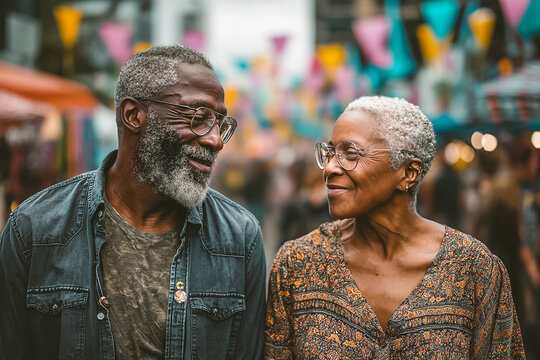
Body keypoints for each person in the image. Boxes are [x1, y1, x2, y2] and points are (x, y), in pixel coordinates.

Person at [0, 45, 266, 359]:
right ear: (133, 115)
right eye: (199, 117)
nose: (216, 140)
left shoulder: (239, 238)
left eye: (220, 124)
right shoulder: (33, 229)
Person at [265, 96, 525, 359]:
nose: (330, 167)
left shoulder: (473, 270)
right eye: (330, 153)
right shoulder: (297, 264)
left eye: (350, 154)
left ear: (408, 173)